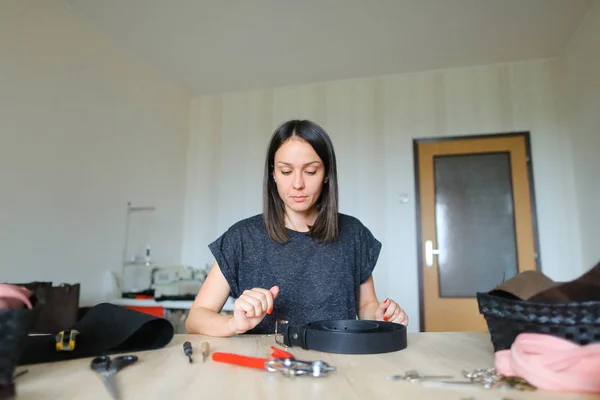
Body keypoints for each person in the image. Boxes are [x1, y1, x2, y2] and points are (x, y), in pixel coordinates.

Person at [185, 119, 408, 336]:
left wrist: (382, 317)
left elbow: (367, 304)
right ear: (273, 173)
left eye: (310, 171)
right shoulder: (241, 237)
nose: (298, 184)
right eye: (286, 171)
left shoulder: (353, 233)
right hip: (262, 367)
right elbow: (196, 318)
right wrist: (234, 323)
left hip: (339, 361)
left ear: (327, 174)